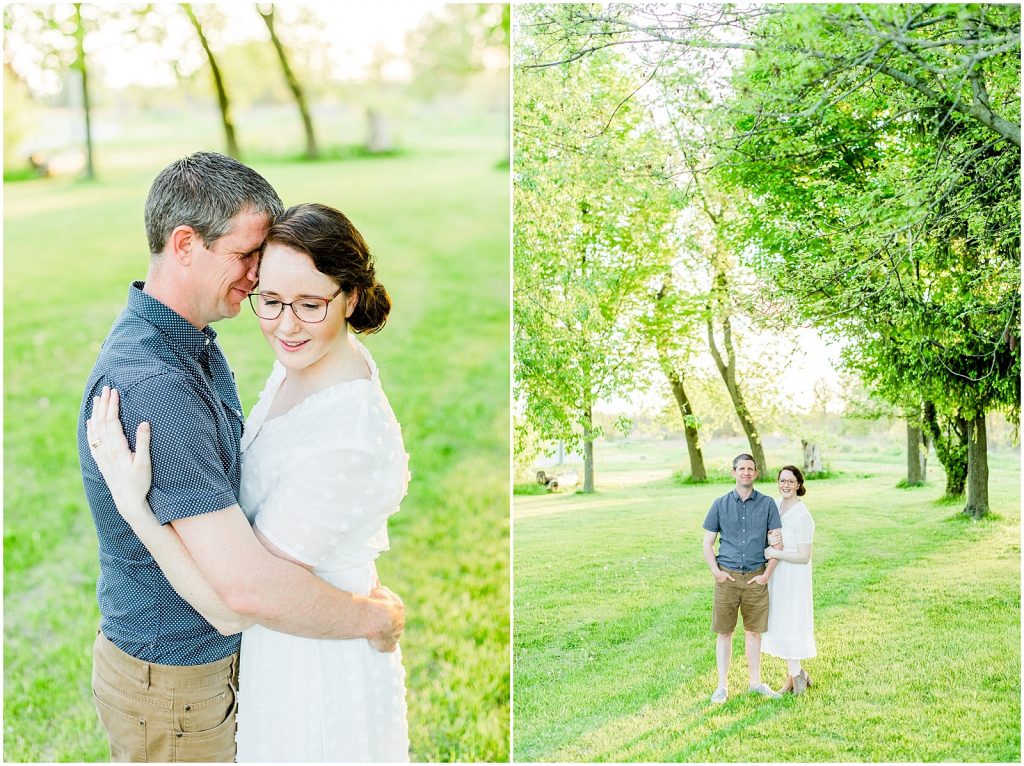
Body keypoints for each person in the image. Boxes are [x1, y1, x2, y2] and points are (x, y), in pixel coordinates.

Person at [78, 154, 404, 763]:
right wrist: (370, 617)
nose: (256, 280)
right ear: (185, 244)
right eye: (246, 258)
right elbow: (239, 598)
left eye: (306, 300)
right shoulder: (157, 382)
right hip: (176, 677)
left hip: (248, 664)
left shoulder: (197, 340)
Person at [701, 453, 783, 703]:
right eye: (741, 468)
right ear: (733, 472)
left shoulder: (768, 504)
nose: (746, 472)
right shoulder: (719, 504)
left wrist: (767, 575)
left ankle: (755, 683)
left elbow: (777, 542)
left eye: (750, 469)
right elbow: (707, 543)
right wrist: (716, 572)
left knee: (753, 632)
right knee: (724, 632)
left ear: (756, 473)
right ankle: (722, 686)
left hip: (756, 578)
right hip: (727, 578)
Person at [761, 465, 816, 695]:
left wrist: (775, 553)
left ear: (798, 485)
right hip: (777, 574)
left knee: (791, 622)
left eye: (790, 481)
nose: (785, 485)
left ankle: (797, 679)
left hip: (794, 576)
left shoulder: (803, 517)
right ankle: (799, 675)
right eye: (782, 480)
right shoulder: (775, 505)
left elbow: (804, 557)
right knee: (779, 622)